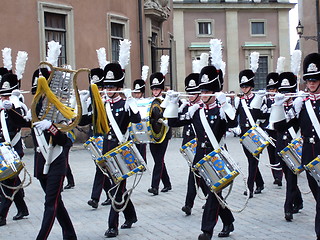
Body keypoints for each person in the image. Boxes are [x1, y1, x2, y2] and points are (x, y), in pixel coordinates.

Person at [166, 65, 237, 240]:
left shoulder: (220, 111)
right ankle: (228, 220)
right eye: (202, 91)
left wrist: (226, 103)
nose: (204, 94)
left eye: (207, 91)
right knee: (211, 194)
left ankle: (206, 231)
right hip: (200, 158)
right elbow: (173, 123)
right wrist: (173, 103)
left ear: (214, 92)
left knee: (213, 195)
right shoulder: (195, 111)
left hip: (217, 158)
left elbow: (234, 124)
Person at [270, 53, 320, 239]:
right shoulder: (301, 104)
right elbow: (279, 126)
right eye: (308, 80)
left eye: (315, 80)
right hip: (309, 155)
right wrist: (277, 106)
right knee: (316, 195)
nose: (311, 83)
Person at [29, 68, 77, 240]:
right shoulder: (34, 108)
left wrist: (51, 127)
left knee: (50, 204)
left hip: (56, 162)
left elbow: (65, 141)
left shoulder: (58, 109)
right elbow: (22, 124)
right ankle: (70, 235)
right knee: (57, 203)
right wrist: (9, 109)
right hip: (41, 163)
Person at [271, 72, 303, 222]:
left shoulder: (299, 105)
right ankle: (299, 200)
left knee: (291, 178)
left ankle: (287, 208)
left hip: (293, 146)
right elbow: (275, 126)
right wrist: (277, 106)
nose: (285, 95)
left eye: (288, 91)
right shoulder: (278, 106)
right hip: (281, 146)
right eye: (282, 91)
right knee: (288, 176)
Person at [0, 71, 29, 226]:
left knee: (8, 181)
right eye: (2, 96)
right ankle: (23, 209)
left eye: (6, 95)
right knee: (12, 180)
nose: (3, 98)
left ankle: (1, 215)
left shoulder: (18, 107)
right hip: (2, 150)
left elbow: (20, 123)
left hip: (13, 150)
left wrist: (11, 108)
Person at [84, 68, 112, 208]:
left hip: (106, 137)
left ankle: (95, 198)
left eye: (100, 87)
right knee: (101, 168)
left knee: (100, 167)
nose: (98, 90)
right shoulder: (90, 102)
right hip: (94, 137)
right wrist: (82, 103)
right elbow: (84, 120)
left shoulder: (107, 102)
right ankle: (110, 194)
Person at [235, 68, 265, 198]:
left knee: (253, 161)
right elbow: (234, 116)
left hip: (255, 134)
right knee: (251, 160)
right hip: (244, 134)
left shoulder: (258, 99)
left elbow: (263, 117)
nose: (244, 88)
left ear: (251, 86)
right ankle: (260, 182)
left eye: (246, 86)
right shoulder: (240, 100)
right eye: (242, 86)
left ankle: (250, 188)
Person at [147, 70, 172, 195]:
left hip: (164, 133)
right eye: (154, 89)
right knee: (158, 159)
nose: (155, 91)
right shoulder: (150, 102)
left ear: (161, 89)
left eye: (157, 89)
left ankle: (154, 186)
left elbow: (172, 115)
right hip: (153, 134)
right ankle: (167, 183)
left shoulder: (166, 100)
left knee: (158, 160)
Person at [261, 72, 283, 186]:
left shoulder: (280, 99)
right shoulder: (266, 99)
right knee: (271, 154)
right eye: (270, 89)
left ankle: (279, 176)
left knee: (278, 153)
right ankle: (275, 175)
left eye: (273, 89)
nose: (272, 91)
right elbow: (261, 115)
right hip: (269, 130)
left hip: (278, 130)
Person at [131, 78, 147, 162]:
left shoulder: (145, 101)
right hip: (133, 126)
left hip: (142, 125)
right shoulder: (132, 101)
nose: (136, 95)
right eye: (135, 93)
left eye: (138, 93)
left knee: (142, 146)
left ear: (142, 93)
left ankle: (143, 162)